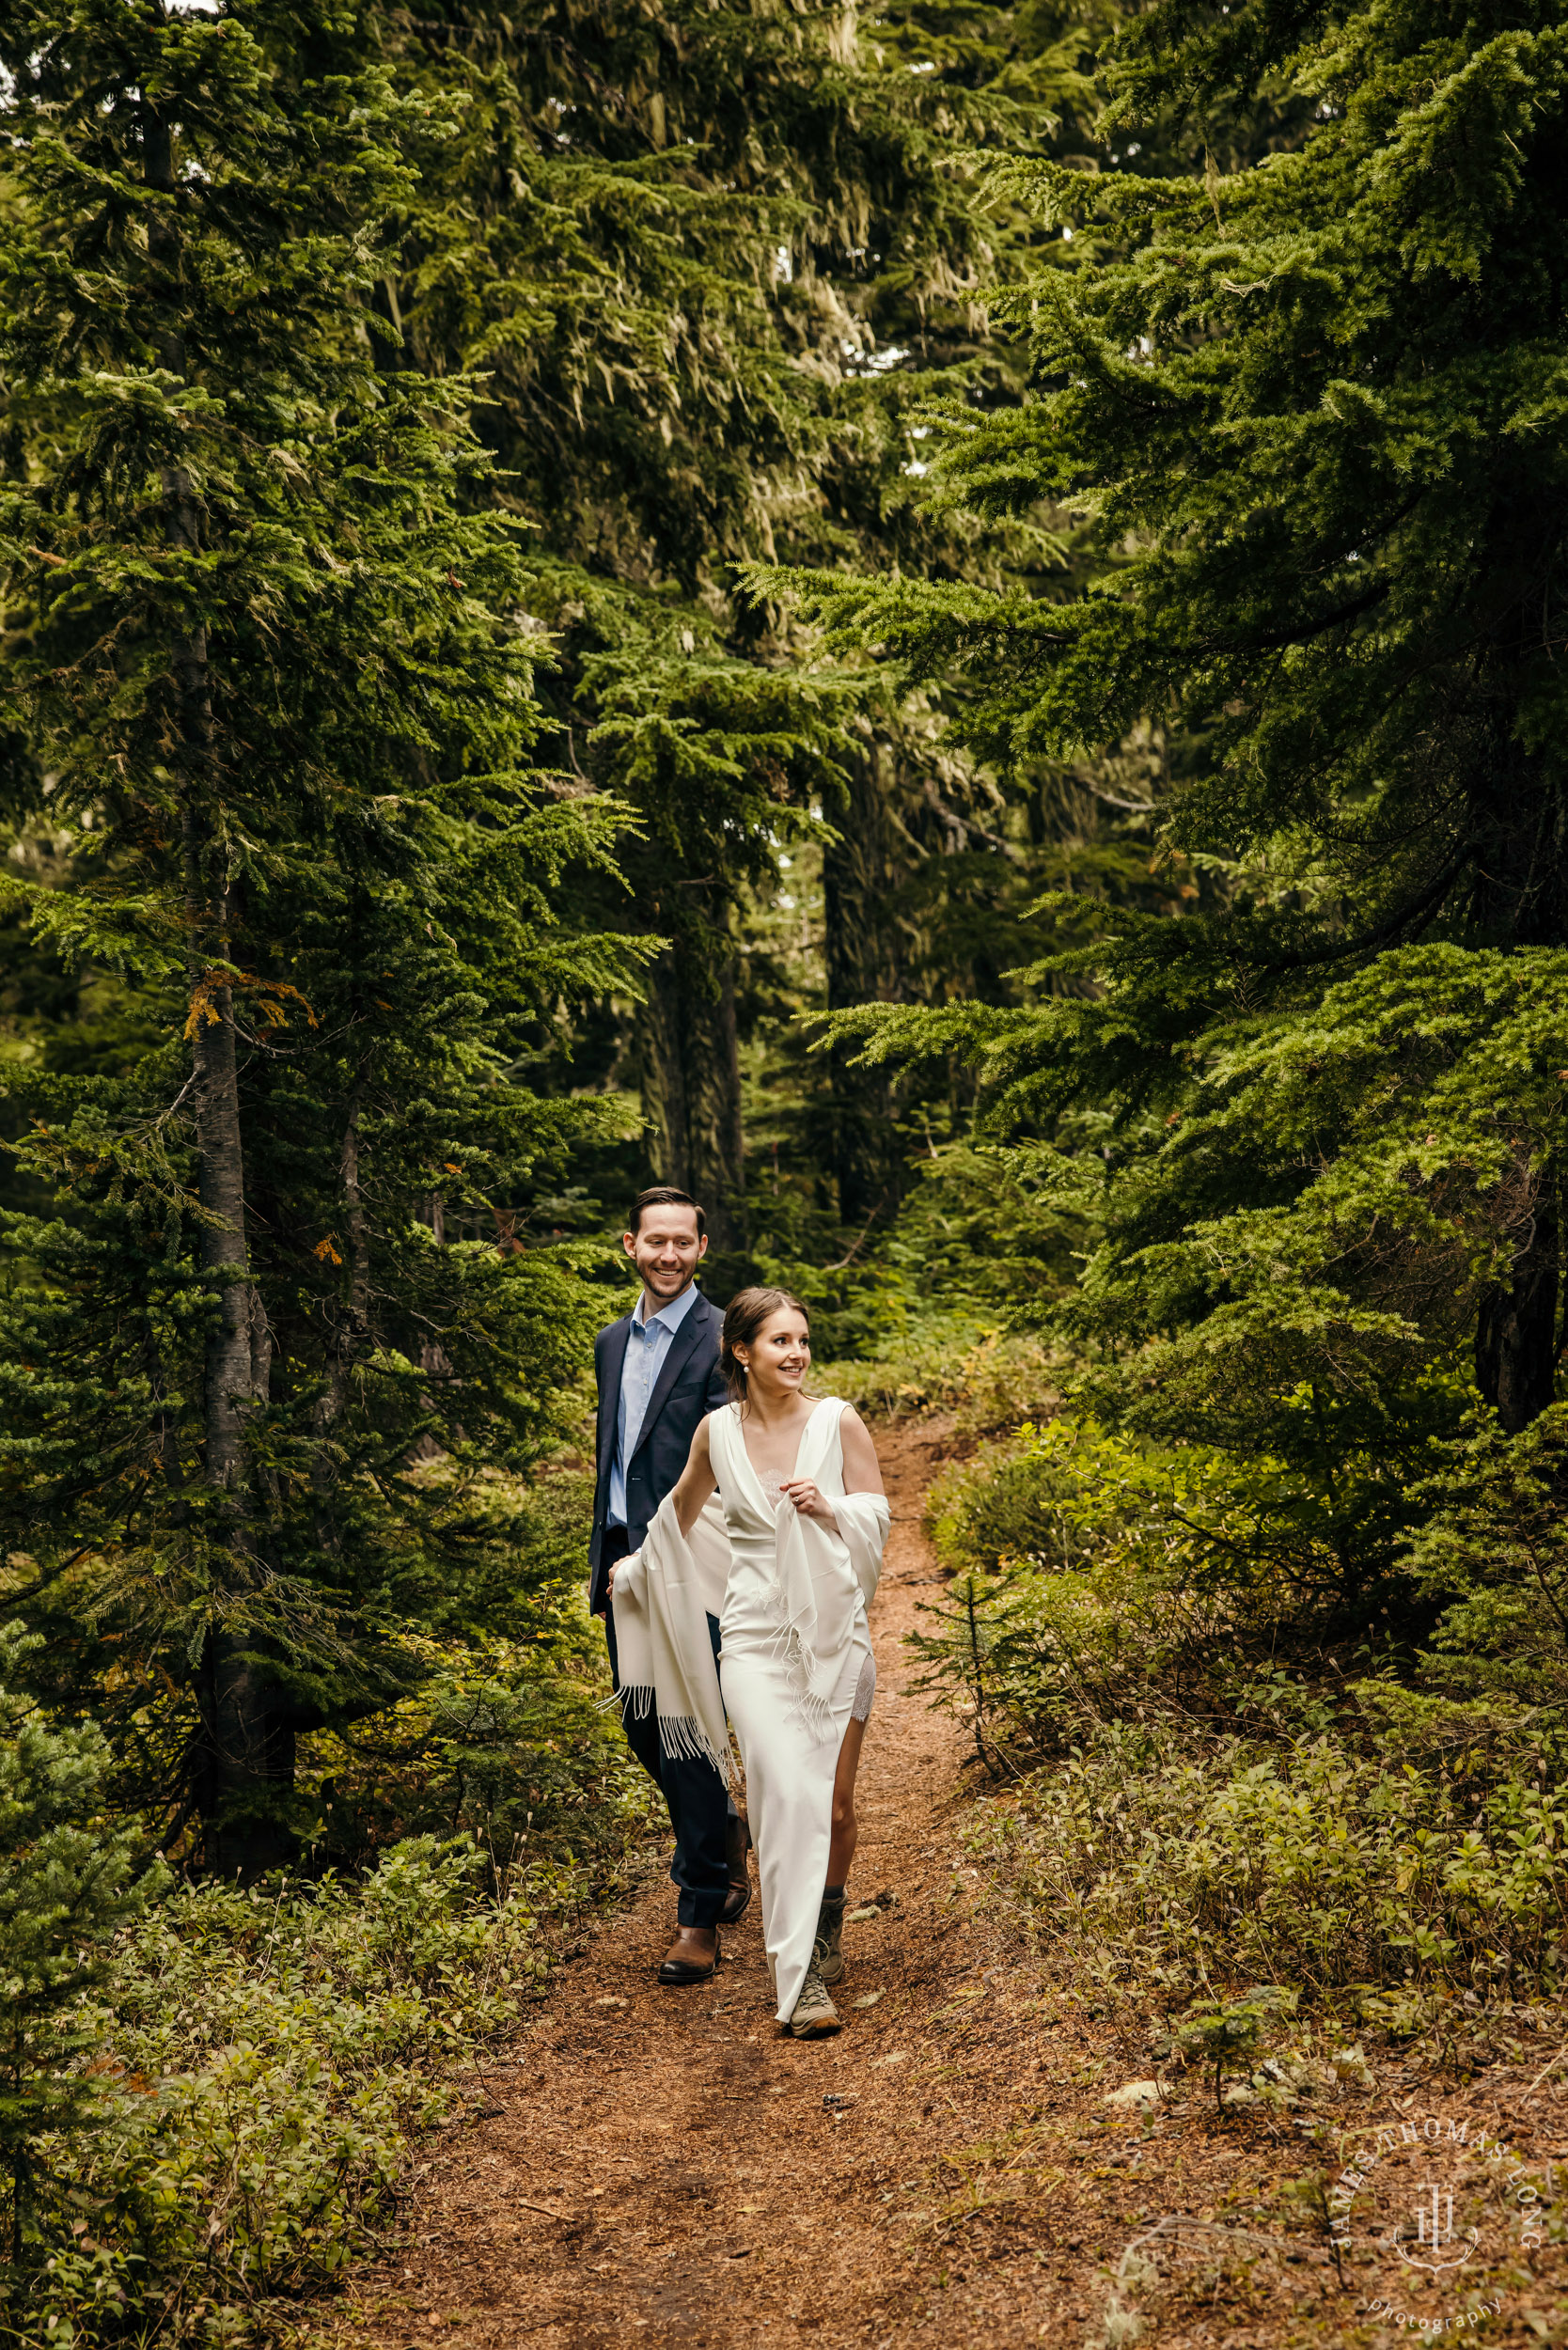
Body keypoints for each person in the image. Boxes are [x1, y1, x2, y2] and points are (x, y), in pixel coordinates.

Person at [610, 1287, 888, 2037]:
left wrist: (831, 1509)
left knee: (831, 1805)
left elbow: (878, 1513)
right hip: (755, 1640)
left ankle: (825, 1927)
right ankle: (797, 1985)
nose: (796, 1353)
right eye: (780, 1342)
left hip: (835, 1634)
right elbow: (679, 1514)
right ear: (742, 1351)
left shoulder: (838, 1421)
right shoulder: (717, 1434)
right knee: (780, 1793)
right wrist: (634, 1571)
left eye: (802, 1340)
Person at [589, 1186, 749, 1985]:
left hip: (695, 1555)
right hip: (624, 1561)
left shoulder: (725, 1337)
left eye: (682, 1242)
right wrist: (611, 1553)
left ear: (702, 1247)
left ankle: (698, 1914)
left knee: (686, 1727)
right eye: (655, 1241)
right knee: (643, 1722)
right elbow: (616, 1458)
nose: (668, 1255)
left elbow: (739, 1449)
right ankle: (722, 1828)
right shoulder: (611, 1342)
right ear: (631, 1245)